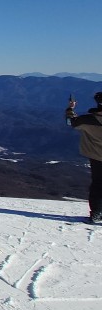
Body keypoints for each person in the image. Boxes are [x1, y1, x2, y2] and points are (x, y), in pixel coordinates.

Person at [65, 91, 102, 224]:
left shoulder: (88, 120)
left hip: (97, 157)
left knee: (98, 184)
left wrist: (70, 108)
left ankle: (97, 214)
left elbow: (71, 122)